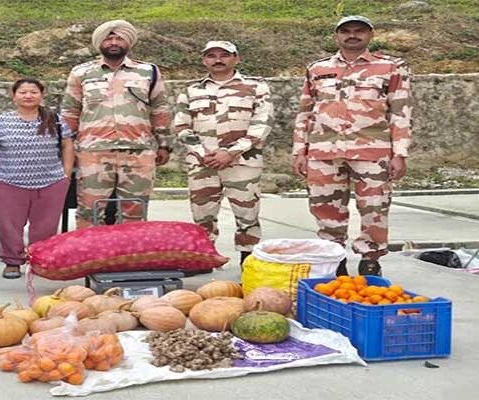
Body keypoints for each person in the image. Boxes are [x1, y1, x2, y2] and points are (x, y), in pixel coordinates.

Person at [292, 16, 412, 276]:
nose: (352, 36)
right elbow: (305, 113)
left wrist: (400, 153)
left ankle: (370, 258)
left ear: (370, 35)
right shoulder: (317, 69)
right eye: (346, 31)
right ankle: (333, 257)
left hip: (372, 151)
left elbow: (401, 113)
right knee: (325, 209)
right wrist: (300, 150)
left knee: (375, 207)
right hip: (323, 152)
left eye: (359, 31)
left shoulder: (390, 67)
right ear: (337, 36)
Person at [61, 19, 173, 229]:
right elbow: (70, 112)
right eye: (108, 37)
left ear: (128, 43)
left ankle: (128, 258)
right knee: (89, 210)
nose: (114, 42)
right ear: (100, 43)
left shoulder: (148, 71)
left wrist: (165, 144)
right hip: (92, 151)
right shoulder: (81, 73)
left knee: (134, 210)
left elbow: (160, 109)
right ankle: (90, 258)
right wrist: (66, 149)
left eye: (119, 37)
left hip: (138, 151)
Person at [174, 41, 273, 268]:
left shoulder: (256, 86)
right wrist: (201, 152)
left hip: (242, 162)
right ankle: (204, 257)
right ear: (204, 60)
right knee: (202, 215)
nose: (218, 60)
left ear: (236, 58)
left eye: (224, 55)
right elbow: (181, 126)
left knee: (247, 214)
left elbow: (262, 124)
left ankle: (248, 260)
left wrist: (231, 152)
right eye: (211, 56)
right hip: (202, 163)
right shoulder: (191, 90)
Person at [0, 78, 75, 279]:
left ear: (42, 95)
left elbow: (67, 145)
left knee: (46, 225)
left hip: (50, 182)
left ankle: (40, 261)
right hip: (7, 182)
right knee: (9, 225)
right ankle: (12, 262)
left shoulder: (55, 119)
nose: (28, 96)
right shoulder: (0, 121)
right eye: (23, 92)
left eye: (33, 92)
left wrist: (65, 174)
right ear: (13, 96)